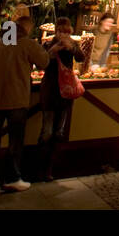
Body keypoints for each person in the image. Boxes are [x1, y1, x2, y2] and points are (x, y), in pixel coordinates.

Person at [0, 15, 49, 192]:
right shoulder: (26, 43)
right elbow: (44, 62)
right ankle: (12, 178)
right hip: (16, 98)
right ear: (26, 28)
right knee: (15, 140)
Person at [38, 17, 81, 182]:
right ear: (56, 32)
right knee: (47, 131)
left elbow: (82, 58)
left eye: (67, 32)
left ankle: (51, 168)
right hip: (50, 92)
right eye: (61, 31)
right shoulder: (48, 45)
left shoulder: (72, 45)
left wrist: (73, 49)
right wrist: (53, 51)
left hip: (65, 94)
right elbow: (40, 64)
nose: (64, 35)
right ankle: (40, 168)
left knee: (58, 132)